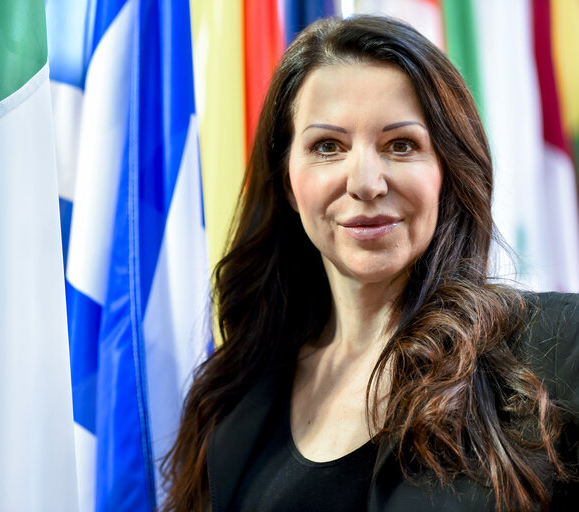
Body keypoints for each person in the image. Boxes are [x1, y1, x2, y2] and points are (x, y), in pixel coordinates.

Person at [161, 15, 579, 512]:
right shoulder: (235, 397)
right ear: (288, 183)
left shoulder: (555, 348)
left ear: (446, 170)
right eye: (327, 147)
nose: (365, 182)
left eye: (401, 145)